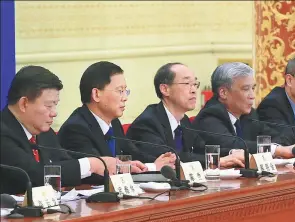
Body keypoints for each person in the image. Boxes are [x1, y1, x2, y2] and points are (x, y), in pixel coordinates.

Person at [0, 66, 117, 194]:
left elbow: (66, 166)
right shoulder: (3, 132)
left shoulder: (44, 132)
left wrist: (109, 167)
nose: (54, 113)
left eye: (55, 105)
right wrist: (91, 164)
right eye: (49, 105)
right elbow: (33, 174)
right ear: (24, 104)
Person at [58, 61, 175, 185]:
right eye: (120, 91)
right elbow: (98, 173)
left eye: (126, 91)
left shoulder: (114, 123)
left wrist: (162, 163)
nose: (125, 97)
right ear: (96, 94)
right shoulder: (76, 128)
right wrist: (152, 168)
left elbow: (133, 154)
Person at [126, 62, 244, 168]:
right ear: (165, 89)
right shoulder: (147, 123)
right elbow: (172, 158)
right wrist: (218, 160)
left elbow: (201, 148)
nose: (193, 90)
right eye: (187, 83)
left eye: (195, 84)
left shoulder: (183, 120)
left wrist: (232, 153)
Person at [192, 62, 295, 158]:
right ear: (223, 93)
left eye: (253, 88)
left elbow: (279, 136)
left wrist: (278, 147)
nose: (252, 95)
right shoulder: (210, 116)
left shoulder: (248, 114)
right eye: (246, 89)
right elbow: (234, 145)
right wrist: (276, 150)